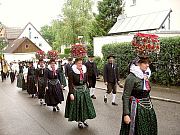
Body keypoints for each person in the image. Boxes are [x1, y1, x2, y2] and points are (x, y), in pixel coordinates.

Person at [120, 56, 157, 135]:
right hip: (136, 109)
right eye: (145, 63)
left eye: (148, 63)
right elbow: (126, 96)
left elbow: (146, 93)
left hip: (147, 108)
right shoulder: (131, 77)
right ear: (138, 64)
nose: (147, 65)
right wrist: (126, 114)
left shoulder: (145, 75)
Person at [65, 58, 96, 128]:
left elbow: (86, 79)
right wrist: (71, 93)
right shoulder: (72, 72)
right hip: (76, 90)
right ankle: (79, 121)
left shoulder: (84, 70)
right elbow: (70, 84)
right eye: (79, 63)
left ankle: (84, 119)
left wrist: (87, 86)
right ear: (75, 64)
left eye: (81, 63)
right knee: (78, 107)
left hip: (84, 90)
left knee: (85, 106)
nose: (80, 65)